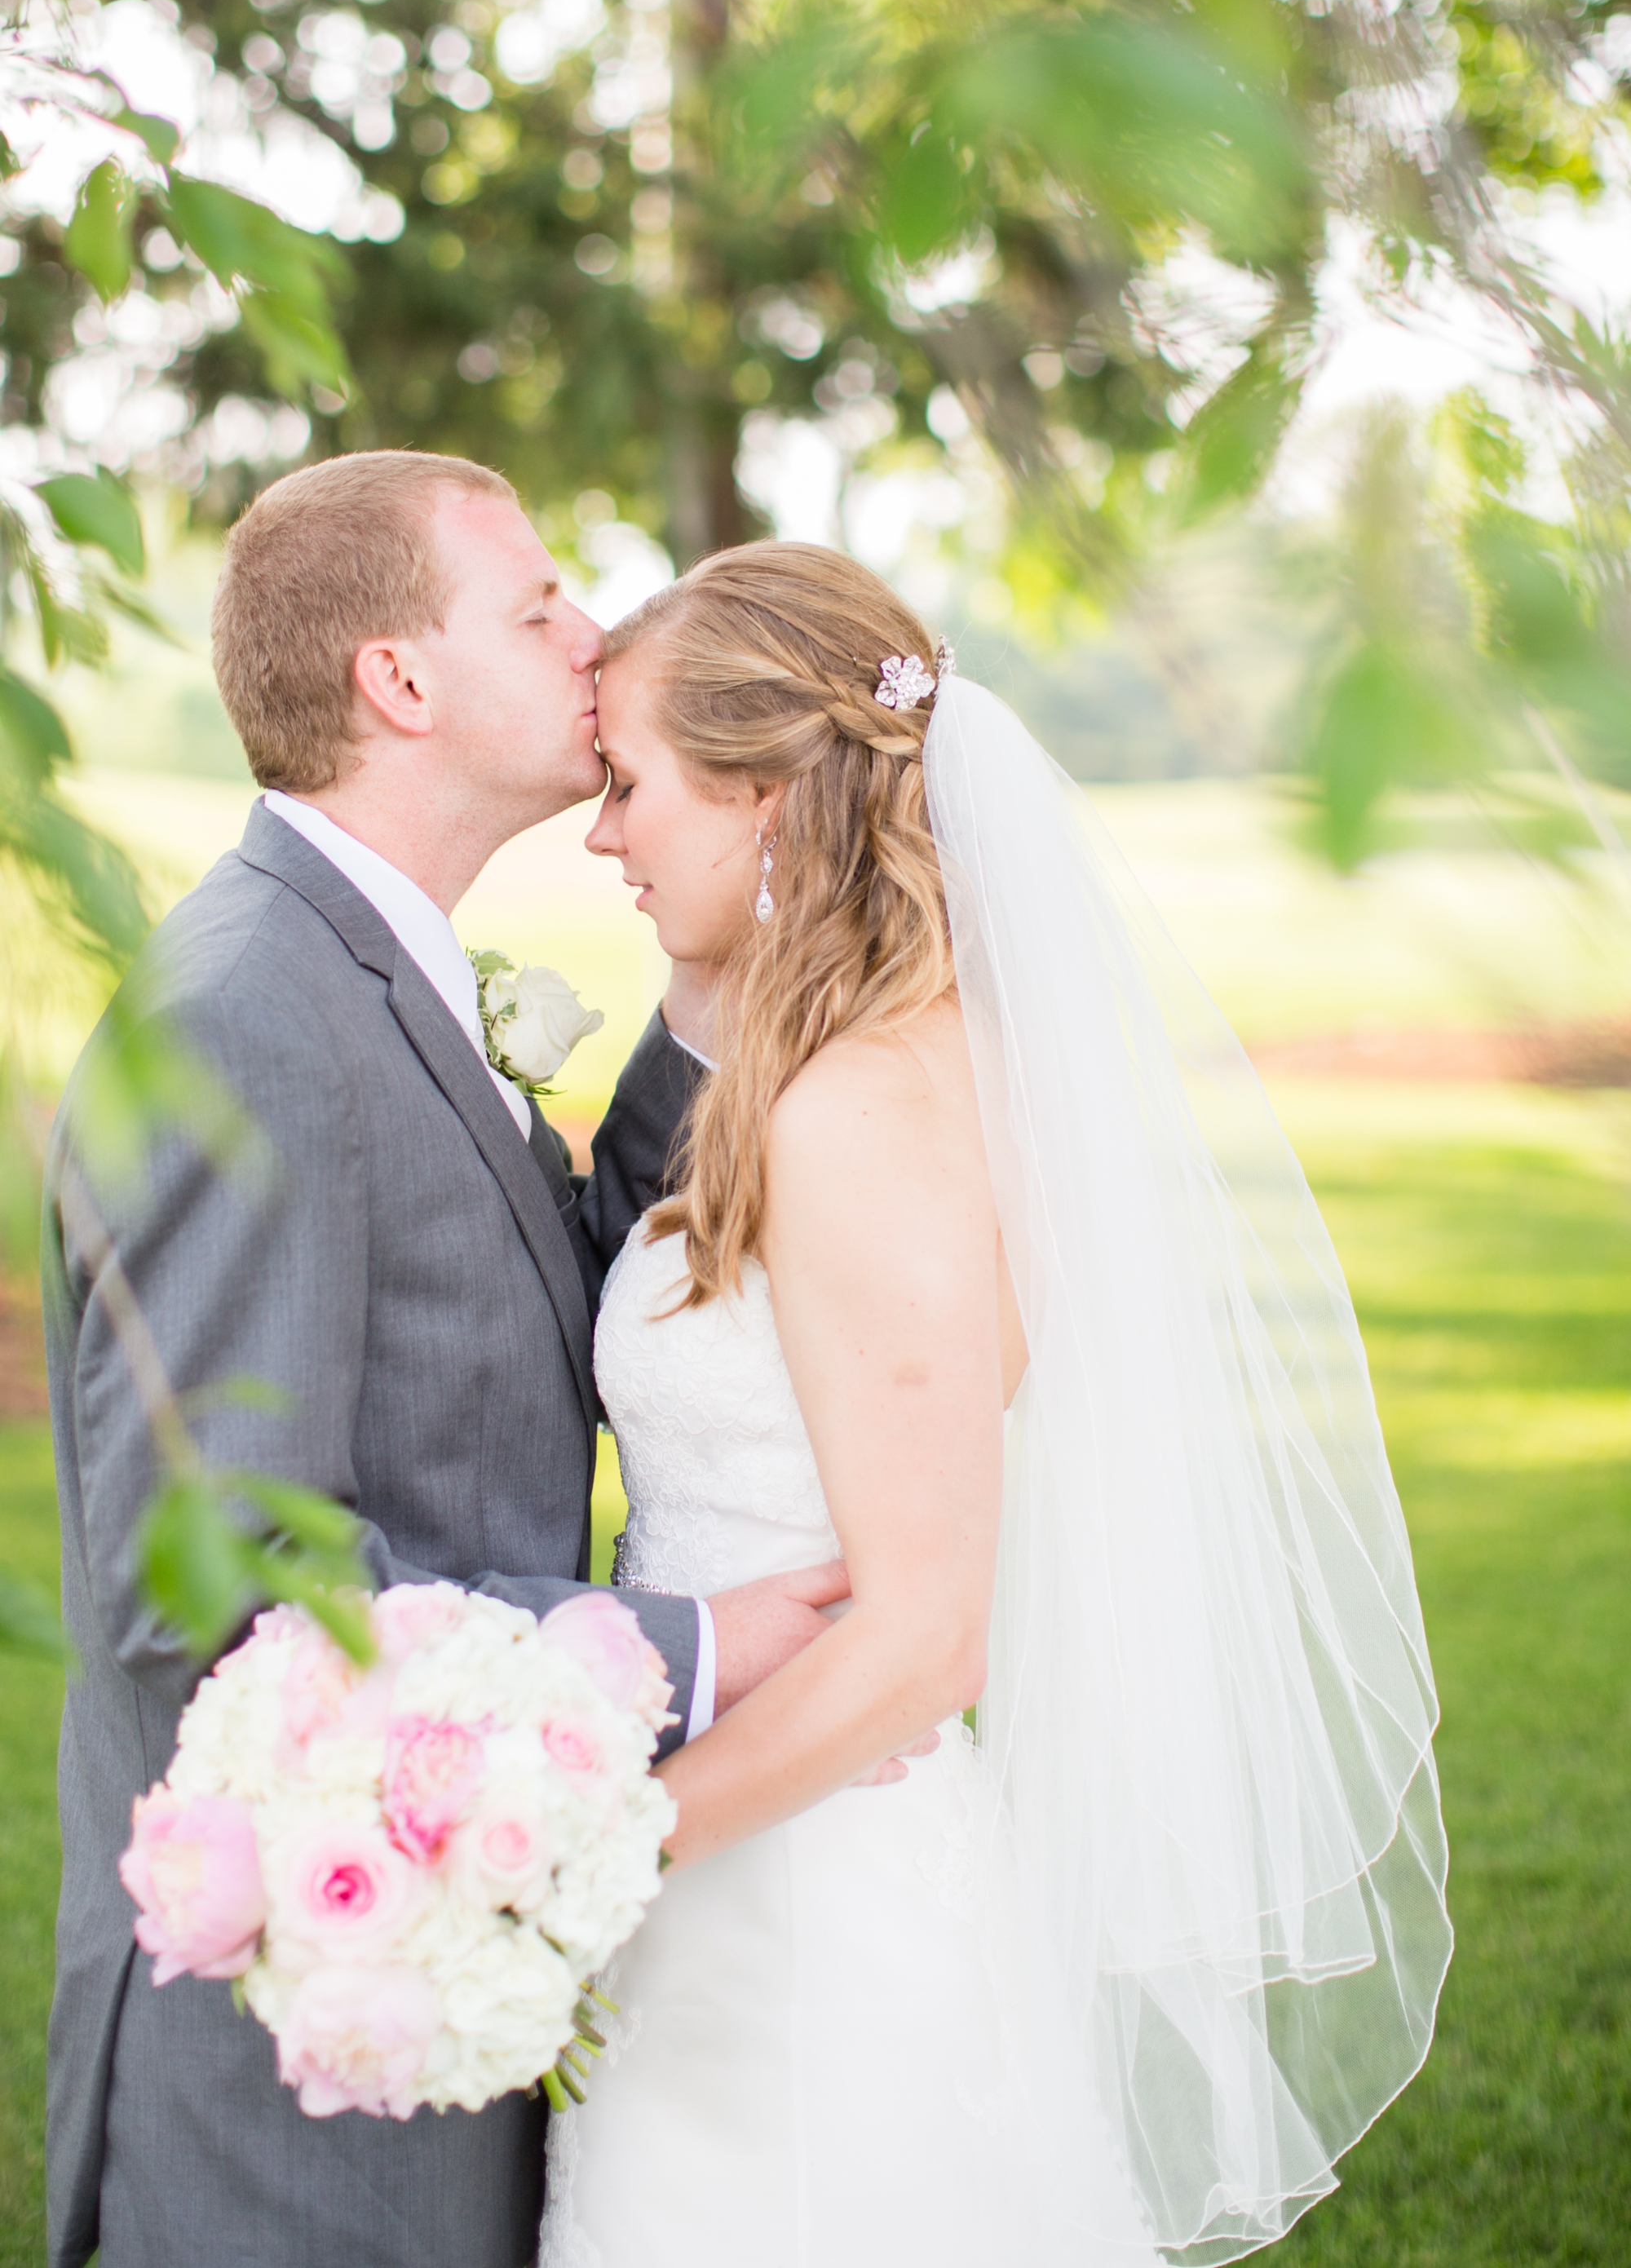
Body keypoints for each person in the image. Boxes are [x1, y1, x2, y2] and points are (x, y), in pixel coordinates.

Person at [541, 541, 1453, 2266]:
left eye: (626, 784)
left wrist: (596, 1853)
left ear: (765, 801)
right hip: (757, 1860)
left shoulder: (860, 1113)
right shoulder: (838, 1064)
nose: (601, 833)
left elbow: (923, 1639)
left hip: (792, 1897)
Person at [41, 455, 849, 2268]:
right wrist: (697, 1650)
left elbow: (524, 1322)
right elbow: (225, 1581)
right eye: (540, 603)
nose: (595, 634)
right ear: (399, 684)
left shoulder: (367, 971)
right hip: (279, 2082)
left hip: (424, 1971)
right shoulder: (250, 1016)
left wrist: (711, 988)